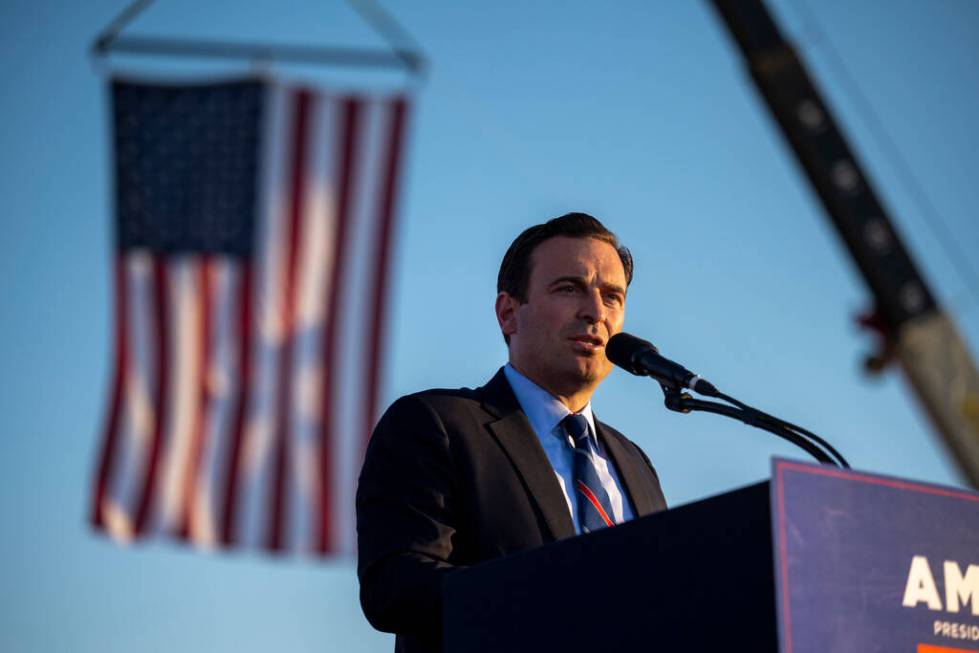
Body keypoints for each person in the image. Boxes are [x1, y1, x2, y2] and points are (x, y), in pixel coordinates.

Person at [356, 212, 667, 653]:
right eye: (569, 288)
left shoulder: (635, 463)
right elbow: (395, 587)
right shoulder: (437, 424)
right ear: (508, 313)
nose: (596, 312)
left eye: (612, 296)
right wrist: (567, 598)